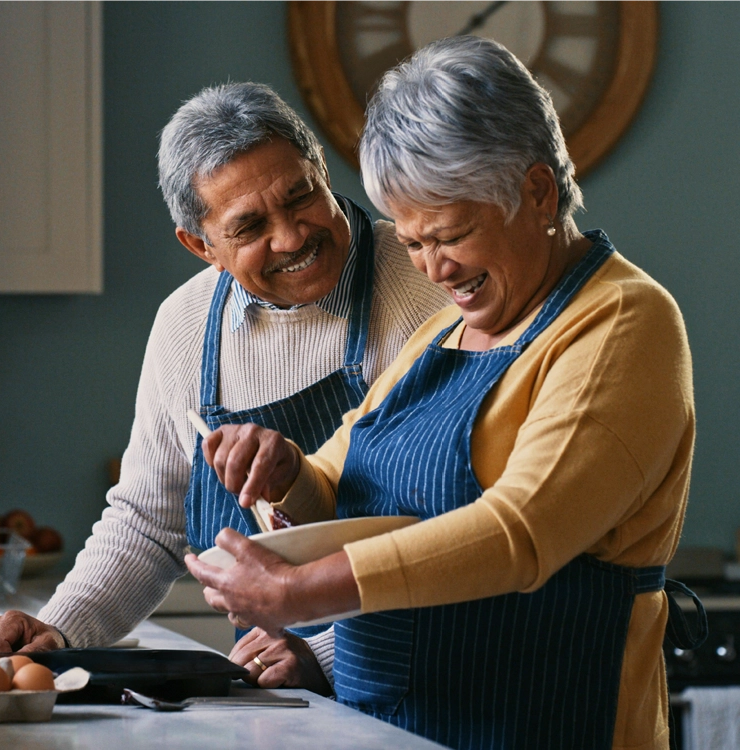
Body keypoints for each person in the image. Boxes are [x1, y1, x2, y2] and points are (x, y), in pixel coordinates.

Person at [185, 37, 707, 750]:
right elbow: (336, 482)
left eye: (451, 234)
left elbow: (521, 532)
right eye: (411, 242)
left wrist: (304, 595)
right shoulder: (441, 334)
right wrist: (286, 472)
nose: (433, 268)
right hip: (391, 731)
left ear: (538, 192)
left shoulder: (621, 322)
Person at [0, 82, 449, 689]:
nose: (291, 237)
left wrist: (324, 654)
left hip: (428, 673)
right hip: (271, 694)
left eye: (300, 196)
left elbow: (462, 524)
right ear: (200, 246)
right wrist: (59, 632)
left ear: (322, 170)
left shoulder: (429, 284)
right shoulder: (186, 326)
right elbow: (149, 524)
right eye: (249, 227)